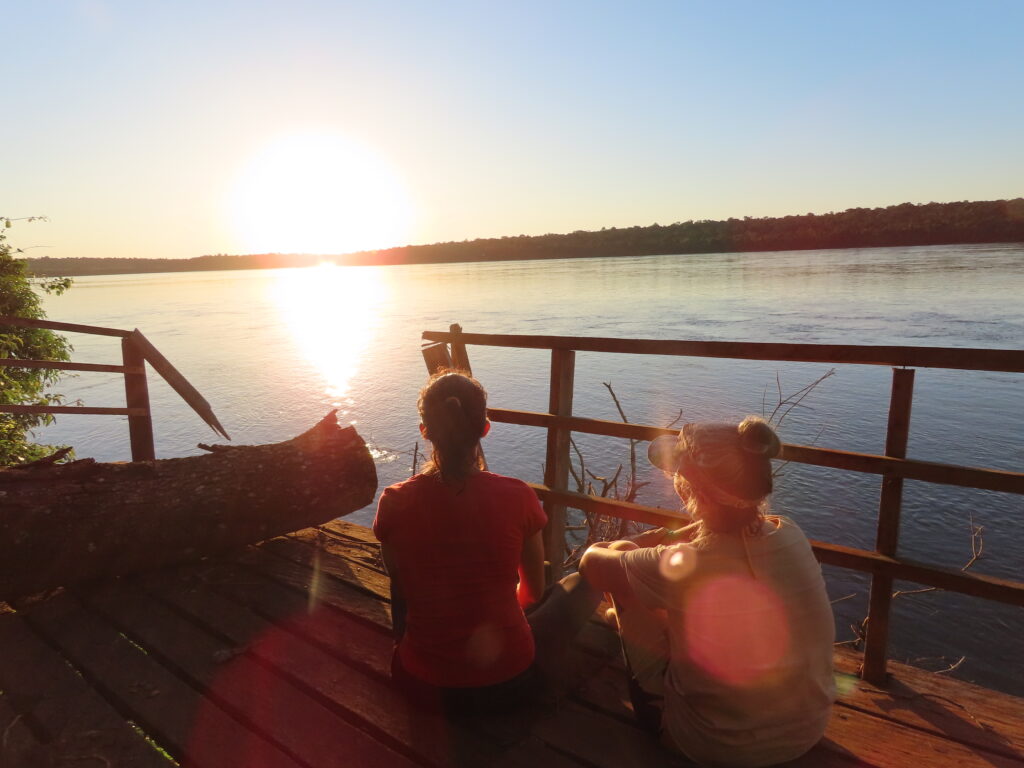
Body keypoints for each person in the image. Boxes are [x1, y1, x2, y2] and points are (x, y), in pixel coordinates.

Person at [580, 416, 835, 767]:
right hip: (806, 731)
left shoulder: (689, 563)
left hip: (711, 744)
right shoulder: (790, 533)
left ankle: (629, 631)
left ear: (691, 490)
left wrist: (646, 540)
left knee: (624, 563)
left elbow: (591, 564)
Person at [373, 370, 599, 712]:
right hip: (508, 681)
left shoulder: (394, 501)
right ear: (485, 429)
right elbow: (532, 594)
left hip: (421, 684)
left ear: (425, 431)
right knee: (580, 584)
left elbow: (400, 587)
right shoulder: (518, 497)